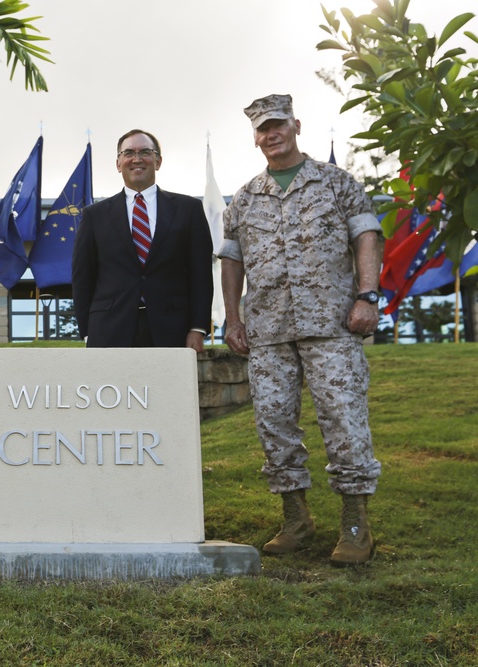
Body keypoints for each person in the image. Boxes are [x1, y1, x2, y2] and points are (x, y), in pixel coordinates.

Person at [219, 94, 383, 566]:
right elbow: (231, 261)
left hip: (332, 322)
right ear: (255, 138)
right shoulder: (246, 197)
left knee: (344, 420)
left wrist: (366, 296)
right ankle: (296, 519)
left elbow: (366, 236)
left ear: (295, 125)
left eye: (277, 125)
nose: (271, 134)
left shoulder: (336, 182)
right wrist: (233, 318)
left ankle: (355, 526)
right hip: (268, 329)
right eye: (262, 129)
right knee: (273, 423)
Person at [72, 129, 213, 349]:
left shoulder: (189, 210)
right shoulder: (94, 216)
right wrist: (88, 332)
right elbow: (83, 278)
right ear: (118, 163)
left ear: (158, 161)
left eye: (145, 152)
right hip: (108, 331)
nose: (137, 158)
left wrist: (198, 328)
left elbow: (201, 274)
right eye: (128, 153)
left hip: (173, 330)